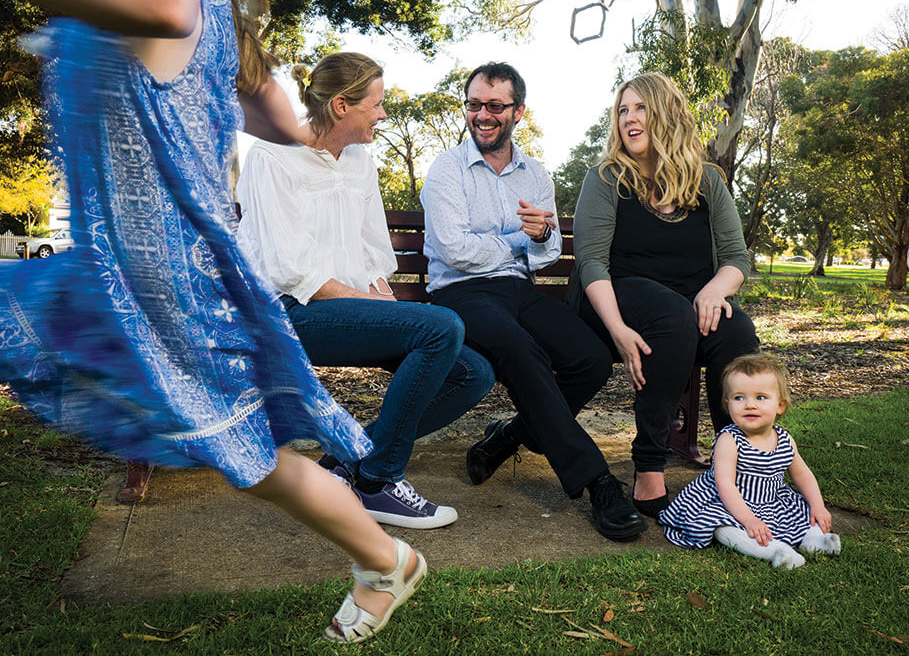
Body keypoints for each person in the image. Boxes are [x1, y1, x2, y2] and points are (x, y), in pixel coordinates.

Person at [0, 0, 423, 642]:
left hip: (162, 279)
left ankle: (385, 556)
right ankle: (385, 558)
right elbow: (280, 120)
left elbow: (165, 4)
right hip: (133, 271)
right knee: (249, 454)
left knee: (249, 454)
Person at [236, 51, 494, 530]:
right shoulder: (271, 156)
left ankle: (343, 467)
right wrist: (374, 308)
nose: (382, 113)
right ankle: (378, 480)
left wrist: (387, 306)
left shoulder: (359, 161)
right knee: (443, 327)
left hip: (344, 310)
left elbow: (374, 251)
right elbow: (288, 268)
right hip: (288, 313)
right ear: (340, 107)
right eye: (375, 104)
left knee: (473, 373)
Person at [420, 62, 647, 542]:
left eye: (495, 106)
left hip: (520, 289)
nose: (482, 115)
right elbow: (455, 251)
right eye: (474, 104)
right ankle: (597, 481)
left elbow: (547, 252)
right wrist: (514, 241)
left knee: (588, 359)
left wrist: (541, 233)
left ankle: (507, 438)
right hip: (460, 292)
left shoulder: (535, 174)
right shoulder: (446, 170)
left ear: (518, 112)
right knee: (523, 352)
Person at [569, 72, 759, 519]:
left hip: (685, 302)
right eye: (622, 110)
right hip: (612, 299)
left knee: (736, 331)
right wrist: (616, 329)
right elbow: (592, 262)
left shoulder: (707, 182)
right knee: (674, 319)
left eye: (641, 109)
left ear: (667, 115)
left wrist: (715, 290)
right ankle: (649, 463)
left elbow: (736, 258)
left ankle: (740, 466)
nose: (629, 120)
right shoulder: (606, 178)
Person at [660, 354, 842, 568]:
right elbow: (725, 484)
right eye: (739, 398)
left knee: (803, 512)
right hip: (728, 503)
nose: (749, 405)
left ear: (780, 405)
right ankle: (776, 551)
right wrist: (748, 520)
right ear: (728, 405)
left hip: (771, 502)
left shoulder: (784, 439)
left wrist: (817, 506)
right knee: (722, 528)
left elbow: (802, 474)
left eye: (760, 397)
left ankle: (813, 541)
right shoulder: (729, 440)